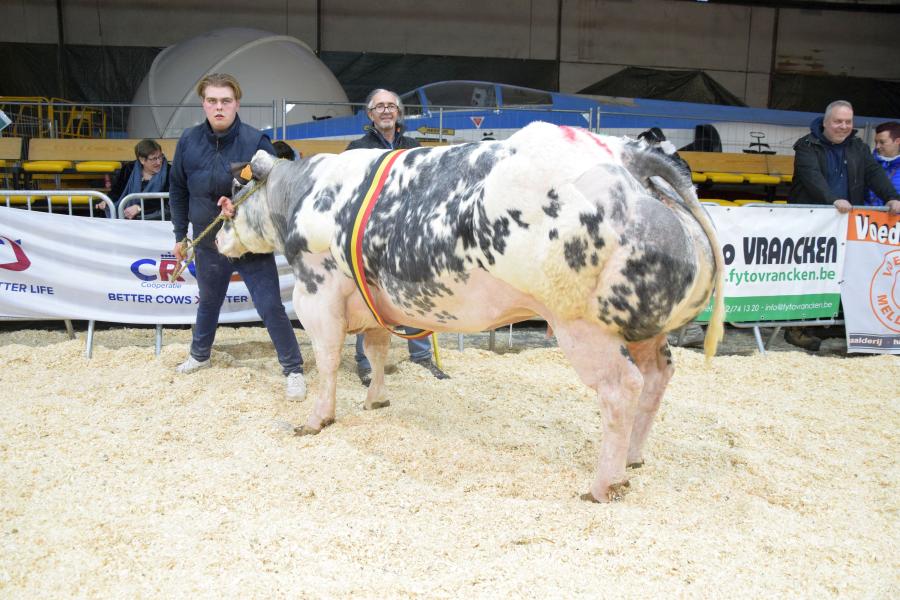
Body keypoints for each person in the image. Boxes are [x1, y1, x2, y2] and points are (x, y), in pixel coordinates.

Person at [169, 72, 306, 399]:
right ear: (203, 103)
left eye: (225, 101)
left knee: (270, 305)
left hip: (249, 241)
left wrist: (238, 200)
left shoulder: (256, 141)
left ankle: (293, 368)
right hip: (207, 241)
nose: (219, 107)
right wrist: (180, 235)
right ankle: (199, 356)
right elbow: (177, 189)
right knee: (209, 302)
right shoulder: (187, 141)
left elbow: (273, 187)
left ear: (236, 103)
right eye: (213, 101)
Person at [345, 88, 449, 386]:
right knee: (369, 297)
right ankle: (365, 362)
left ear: (398, 113)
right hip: (371, 234)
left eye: (391, 106)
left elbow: (427, 187)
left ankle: (421, 357)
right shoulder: (357, 148)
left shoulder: (414, 146)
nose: (386, 111)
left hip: (408, 233)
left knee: (416, 294)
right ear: (370, 114)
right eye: (380, 107)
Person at [785, 101, 900, 351]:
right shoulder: (806, 146)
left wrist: (892, 197)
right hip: (812, 222)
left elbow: (874, 174)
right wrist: (832, 200)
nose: (844, 126)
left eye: (848, 122)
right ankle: (797, 328)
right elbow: (811, 177)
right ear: (825, 122)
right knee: (809, 274)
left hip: (846, 223)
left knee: (846, 274)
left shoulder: (858, 146)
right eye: (838, 121)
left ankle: (836, 324)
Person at [636, 128, 704, 348]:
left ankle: (682, 329)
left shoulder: (650, 165)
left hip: (664, 231)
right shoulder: (675, 165)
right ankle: (686, 328)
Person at [107, 138, 170, 220]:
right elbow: (117, 191)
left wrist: (139, 208)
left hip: (155, 218)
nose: (159, 162)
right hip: (126, 217)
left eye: (160, 157)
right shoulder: (128, 169)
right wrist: (107, 200)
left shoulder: (170, 172)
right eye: (154, 159)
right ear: (142, 160)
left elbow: (168, 203)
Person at [867, 121, 900, 212]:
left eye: (882, 142)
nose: (877, 146)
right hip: (863, 220)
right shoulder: (868, 163)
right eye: (876, 142)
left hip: (895, 223)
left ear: (897, 141)